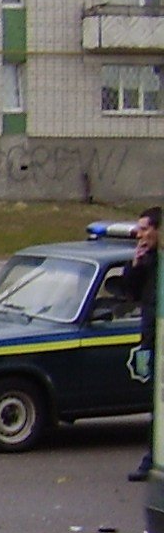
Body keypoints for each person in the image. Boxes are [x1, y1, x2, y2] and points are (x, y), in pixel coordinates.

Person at [114, 206, 159, 481]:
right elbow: (129, 293)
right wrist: (135, 264)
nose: (139, 234)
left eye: (144, 228)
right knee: (156, 401)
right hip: (151, 337)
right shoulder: (147, 260)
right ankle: (152, 459)